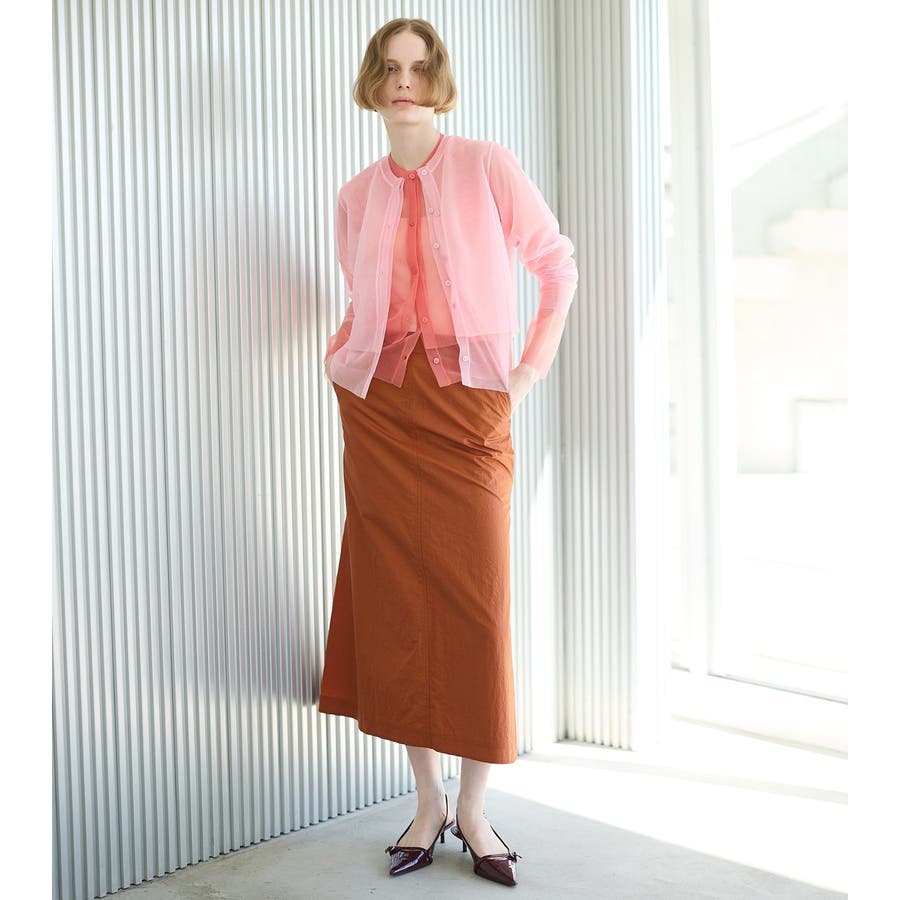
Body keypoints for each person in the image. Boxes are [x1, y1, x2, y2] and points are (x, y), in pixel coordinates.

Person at [316, 17, 577, 888]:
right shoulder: (356, 195)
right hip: (382, 413)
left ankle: (475, 807)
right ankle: (428, 803)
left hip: (471, 405)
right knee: (399, 603)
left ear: (440, 80)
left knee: (475, 603)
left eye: (420, 68)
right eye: (390, 68)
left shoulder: (486, 165)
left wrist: (527, 372)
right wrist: (341, 354)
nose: (405, 83)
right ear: (372, 81)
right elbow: (363, 301)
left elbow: (557, 266)